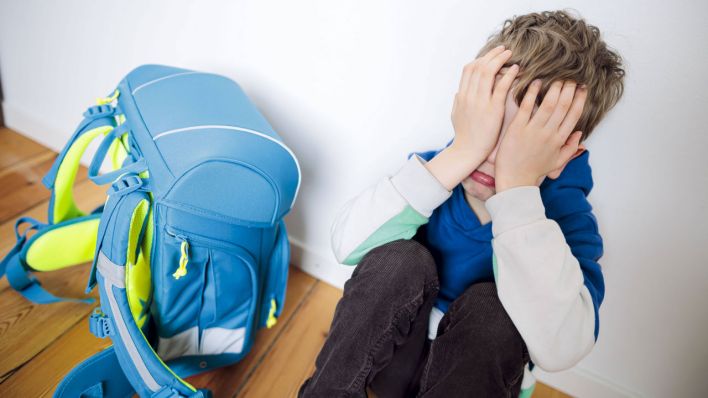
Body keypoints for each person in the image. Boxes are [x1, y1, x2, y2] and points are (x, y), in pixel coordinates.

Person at [299, 9, 625, 398]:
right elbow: (346, 245)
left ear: (565, 155)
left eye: (521, 142)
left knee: (494, 311)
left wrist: (516, 191)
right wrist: (462, 151)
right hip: (392, 359)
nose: (491, 155)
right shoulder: (437, 175)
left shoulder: (567, 222)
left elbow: (562, 348)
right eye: (489, 126)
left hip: (474, 380)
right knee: (399, 261)